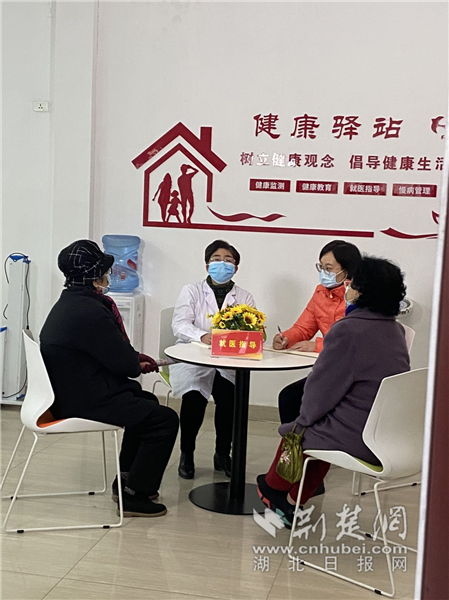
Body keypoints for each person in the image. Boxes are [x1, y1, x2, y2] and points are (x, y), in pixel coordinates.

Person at [257, 256, 410, 525]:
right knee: (317, 421)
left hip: (359, 436)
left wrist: (303, 421)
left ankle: (274, 490)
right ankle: (292, 500)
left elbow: (320, 391)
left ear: (361, 291)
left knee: (302, 428)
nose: (347, 286)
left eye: (352, 283)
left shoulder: (349, 330)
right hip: (390, 434)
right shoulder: (395, 329)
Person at [40, 240, 179, 518]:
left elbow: (111, 355)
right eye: (105, 272)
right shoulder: (91, 311)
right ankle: (136, 495)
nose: (109, 277)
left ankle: (127, 481)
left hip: (69, 391)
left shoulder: (70, 302)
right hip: (82, 400)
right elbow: (124, 364)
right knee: (164, 420)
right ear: (94, 277)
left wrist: (133, 360)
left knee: (146, 403)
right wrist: (135, 361)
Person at [170, 239, 255, 479]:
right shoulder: (192, 290)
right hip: (193, 359)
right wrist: (202, 336)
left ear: (236, 268)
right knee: (194, 399)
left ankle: (222, 454)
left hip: (227, 362)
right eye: (217, 259)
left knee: (229, 400)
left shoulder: (244, 297)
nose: (222, 264)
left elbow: (251, 331)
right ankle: (187, 454)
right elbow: (179, 324)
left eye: (228, 260)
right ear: (207, 265)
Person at [274, 240, 362, 429]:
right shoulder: (320, 293)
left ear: (347, 270)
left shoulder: (358, 297)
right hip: (328, 369)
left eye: (328, 268)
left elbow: (356, 344)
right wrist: (286, 338)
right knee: (289, 397)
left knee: (294, 398)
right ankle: (295, 445)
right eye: (321, 267)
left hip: (352, 375)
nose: (323, 273)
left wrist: (317, 345)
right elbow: (303, 328)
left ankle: (303, 445)